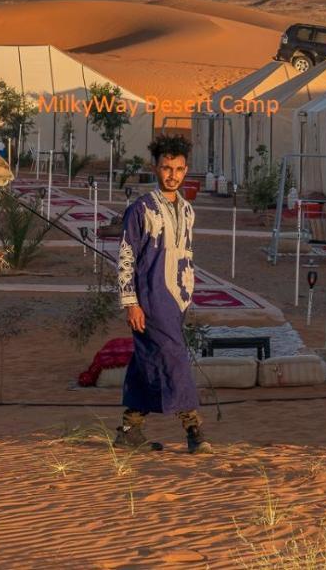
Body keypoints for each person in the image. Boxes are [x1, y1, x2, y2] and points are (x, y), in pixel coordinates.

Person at [113, 134, 212, 454]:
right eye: (166, 168)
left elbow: (186, 255)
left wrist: (188, 295)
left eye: (179, 169)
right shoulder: (141, 209)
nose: (173, 175)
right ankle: (194, 430)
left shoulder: (187, 210)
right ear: (155, 168)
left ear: (186, 171)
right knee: (174, 359)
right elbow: (126, 257)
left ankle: (129, 430)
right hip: (149, 298)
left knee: (149, 361)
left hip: (176, 298)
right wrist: (131, 303)